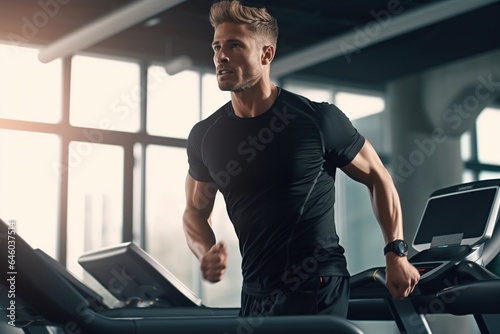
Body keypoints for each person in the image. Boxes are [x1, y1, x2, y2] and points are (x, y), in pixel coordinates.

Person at [183, 0, 419, 318]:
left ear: (266, 54)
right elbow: (196, 211)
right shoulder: (205, 135)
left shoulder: (317, 119)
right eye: (217, 46)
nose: (221, 56)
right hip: (255, 291)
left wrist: (396, 252)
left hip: (318, 284)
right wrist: (205, 251)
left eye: (235, 45)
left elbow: (378, 176)